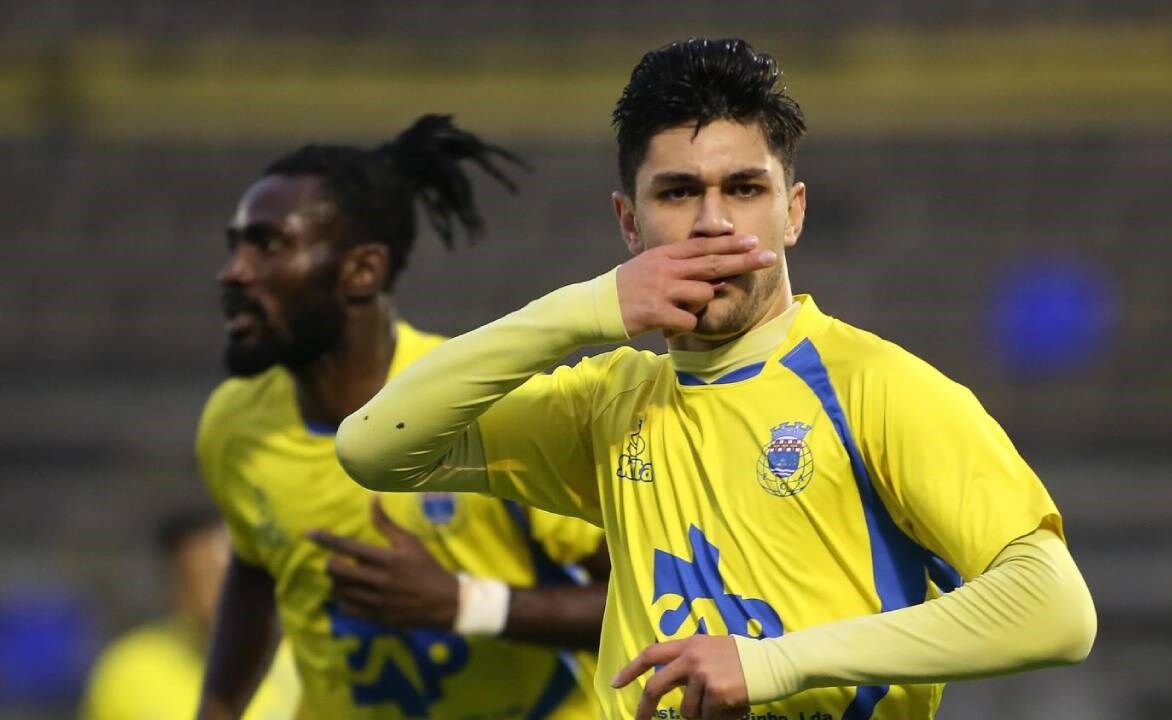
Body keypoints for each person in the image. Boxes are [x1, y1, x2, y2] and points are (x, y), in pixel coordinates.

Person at [334, 39, 1098, 720]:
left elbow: (1057, 610)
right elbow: (374, 446)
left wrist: (773, 663)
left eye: (744, 188)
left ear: (792, 212)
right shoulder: (607, 405)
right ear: (628, 223)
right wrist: (583, 310)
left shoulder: (876, 386)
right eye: (677, 193)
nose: (713, 223)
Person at [196, 114, 609, 720]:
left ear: (362, 271)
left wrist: (465, 605)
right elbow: (255, 569)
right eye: (236, 244)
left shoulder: (480, 404)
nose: (234, 271)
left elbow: (645, 596)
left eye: (269, 244)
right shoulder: (233, 424)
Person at [81, 509, 299, 720]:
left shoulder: (299, 662)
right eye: (200, 580)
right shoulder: (127, 671)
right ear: (176, 587)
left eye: (227, 580)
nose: (216, 596)